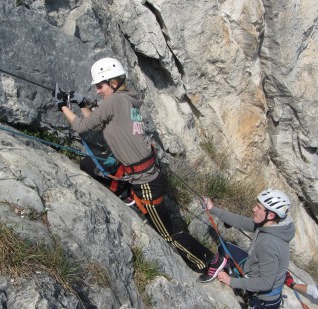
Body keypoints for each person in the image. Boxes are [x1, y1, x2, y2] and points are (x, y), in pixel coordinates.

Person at [52, 57, 225, 277]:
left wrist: (61, 106)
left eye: (100, 85)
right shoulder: (126, 99)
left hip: (145, 184)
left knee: (167, 233)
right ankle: (128, 193)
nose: (97, 90)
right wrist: (82, 104)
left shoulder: (114, 102)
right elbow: (98, 123)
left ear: (113, 82)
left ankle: (208, 262)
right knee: (89, 164)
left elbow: (83, 127)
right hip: (148, 176)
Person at [202, 188, 295, 309]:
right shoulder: (271, 225)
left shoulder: (268, 244)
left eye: (258, 207)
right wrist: (212, 209)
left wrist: (231, 281)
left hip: (263, 301)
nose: (253, 209)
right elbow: (241, 222)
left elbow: (266, 283)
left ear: (271, 215)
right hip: (256, 272)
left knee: (225, 252)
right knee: (224, 248)